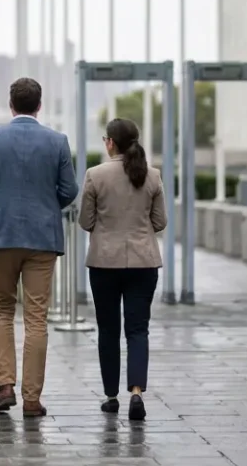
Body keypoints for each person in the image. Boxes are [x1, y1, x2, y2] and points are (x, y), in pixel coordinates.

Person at [0, 78, 78, 418]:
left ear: (11, 104)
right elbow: (69, 190)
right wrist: (46, 206)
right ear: (39, 105)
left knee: (1, 309)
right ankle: (32, 399)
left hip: (1, 234)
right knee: (36, 317)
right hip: (43, 238)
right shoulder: (57, 141)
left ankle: (5, 386)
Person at [78, 117, 167, 422]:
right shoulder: (152, 175)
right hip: (144, 263)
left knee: (108, 330)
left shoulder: (95, 175)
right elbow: (160, 222)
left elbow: (85, 222)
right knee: (138, 329)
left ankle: (111, 395)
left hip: (104, 263)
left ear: (110, 143)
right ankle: (137, 393)